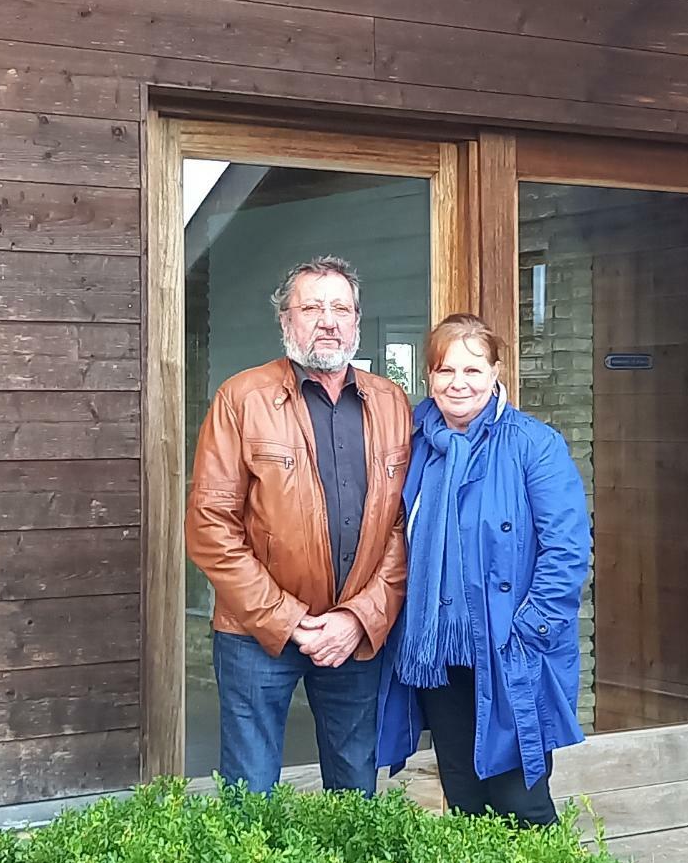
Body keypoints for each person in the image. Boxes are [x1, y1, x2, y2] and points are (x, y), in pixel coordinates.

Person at [184, 256, 411, 794]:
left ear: (357, 321)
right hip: (256, 634)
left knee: (355, 793)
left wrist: (359, 618)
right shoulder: (241, 399)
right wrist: (288, 619)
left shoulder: (392, 401)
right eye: (311, 307)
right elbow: (210, 525)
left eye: (340, 308)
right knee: (250, 794)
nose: (327, 320)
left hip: (354, 636)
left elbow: (404, 525)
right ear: (286, 321)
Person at [375, 314, 591, 826]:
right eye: (446, 370)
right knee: (466, 798)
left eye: (473, 369)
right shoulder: (413, 446)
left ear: (497, 372)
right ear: (428, 377)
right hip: (436, 652)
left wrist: (528, 631)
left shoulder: (533, 445)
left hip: (508, 650)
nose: (459, 383)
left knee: (522, 801)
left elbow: (567, 551)